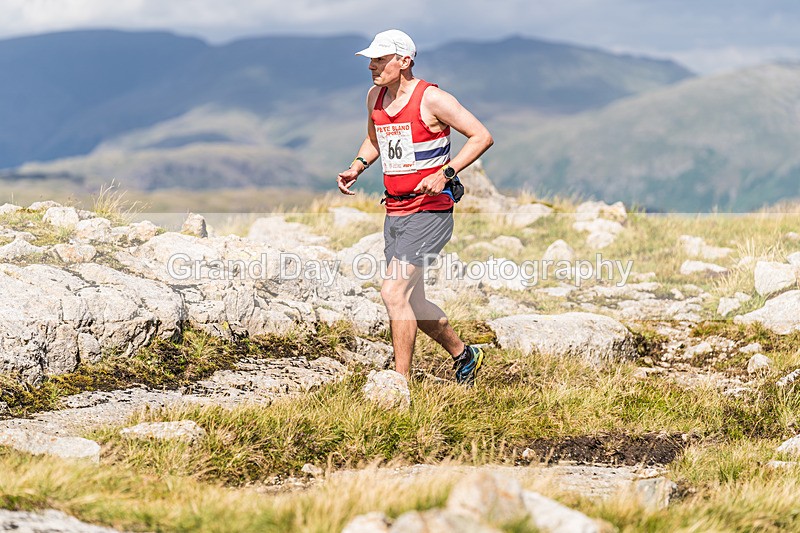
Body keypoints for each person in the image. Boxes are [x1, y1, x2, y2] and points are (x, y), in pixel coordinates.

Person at [337, 29, 493, 385]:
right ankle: (465, 355)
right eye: (370, 60)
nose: (372, 66)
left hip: (431, 210)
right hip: (395, 210)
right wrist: (357, 166)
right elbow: (375, 139)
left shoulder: (433, 99)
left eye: (380, 59)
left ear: (404, 61)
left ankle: (398, 383)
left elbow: (482, 136)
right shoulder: (374, 97)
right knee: (414, 303)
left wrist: (445, 172)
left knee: (392, 293)